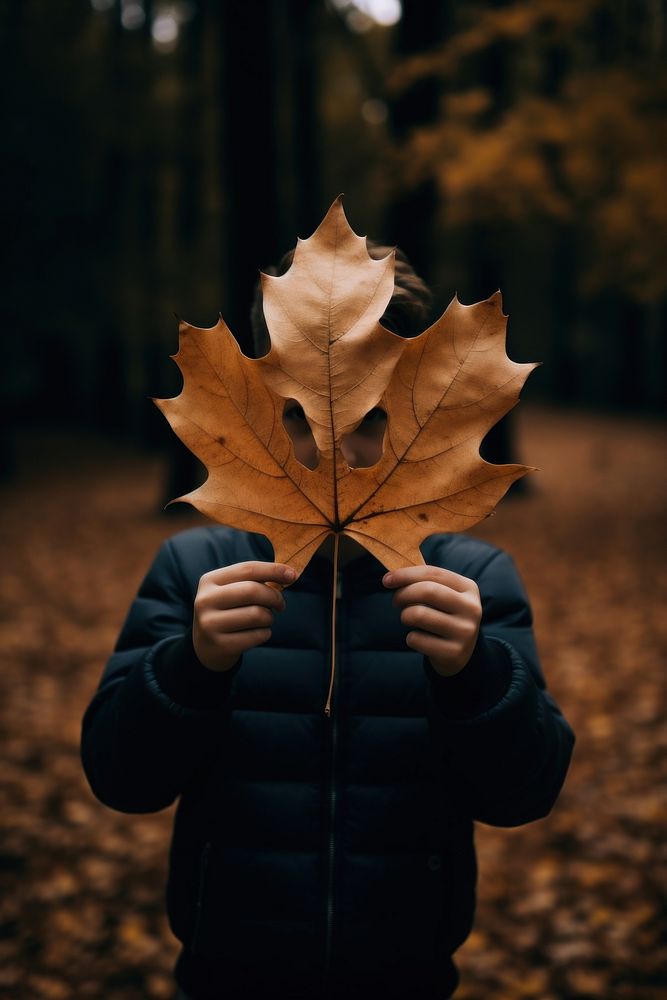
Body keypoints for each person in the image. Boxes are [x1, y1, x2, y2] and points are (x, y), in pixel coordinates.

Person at [81, 243, 575, 1000]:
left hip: (404, 975)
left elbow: (522, 795)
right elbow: (123, 780)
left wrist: (475, 674)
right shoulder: (196, 572)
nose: (339, 450)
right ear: (251, 402)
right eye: (299, 420)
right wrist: (190, 664)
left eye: (376, 420)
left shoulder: (469, 581)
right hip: (228, 972)